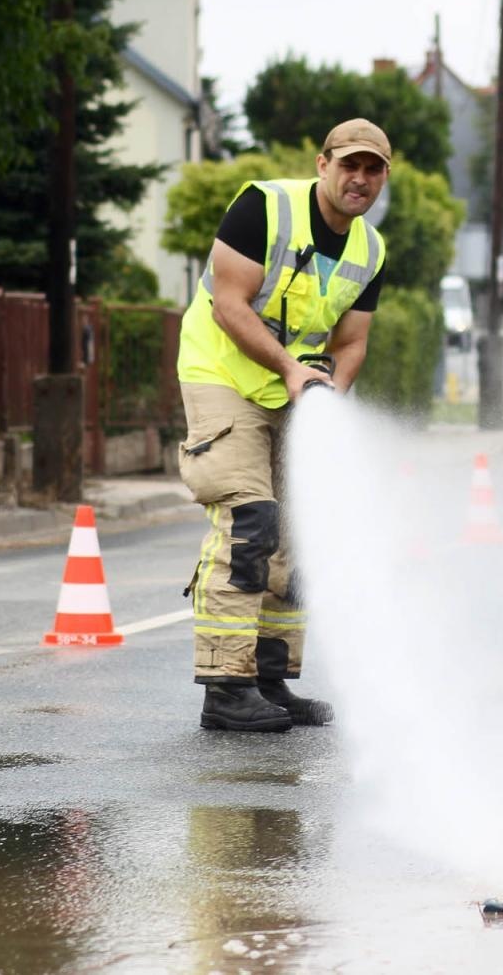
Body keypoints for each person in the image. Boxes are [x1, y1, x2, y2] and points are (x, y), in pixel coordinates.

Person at [175, 118, 391, 733]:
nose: (359, 178)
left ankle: (269, 680)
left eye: (372, 169)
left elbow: (352, 343)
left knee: (296, 529)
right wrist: (293, 371)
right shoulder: (262, 207)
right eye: (349, 164)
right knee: (250, 517)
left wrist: (325, 400)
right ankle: (226, 687)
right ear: (323, 163)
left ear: (383, 178)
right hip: (222, 373)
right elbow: (228, 305)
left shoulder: (369, 250)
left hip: (293, 390)